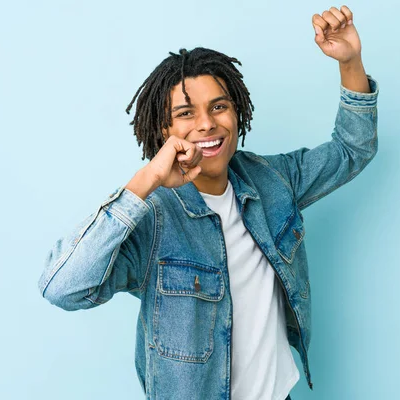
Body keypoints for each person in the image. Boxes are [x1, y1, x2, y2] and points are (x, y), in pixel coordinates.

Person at [38, 4, 379, 400]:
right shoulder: (152, 217)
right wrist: (146, 179)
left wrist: (350, 60)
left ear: (237, 112)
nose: (206, 124)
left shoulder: (271, 182)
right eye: (185, 113)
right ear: (165, 128)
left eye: (218, 106)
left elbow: (352, 150)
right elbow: (63, 288)